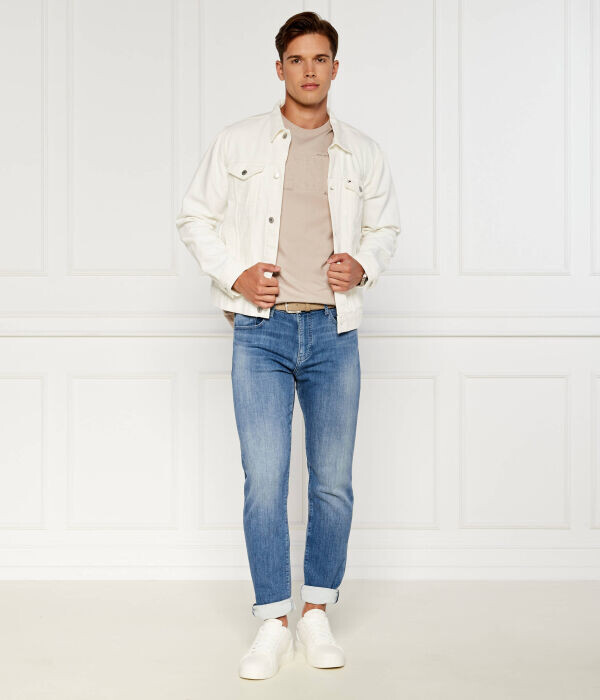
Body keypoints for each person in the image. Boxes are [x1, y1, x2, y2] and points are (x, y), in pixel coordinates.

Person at [175, 10, 401, 681]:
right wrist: (234, 273)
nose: (309, 70)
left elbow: (386, 228)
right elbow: (194, 215)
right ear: (279, 68)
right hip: (261, 332)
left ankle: (316, 611)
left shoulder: (362, 151)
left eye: (320, 59)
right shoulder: (239, 141)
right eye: (297, 59)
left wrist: (364, 264)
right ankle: (273, 619)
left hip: (334, 332)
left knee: (332, 484)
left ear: (336, 67)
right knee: (265, 482)